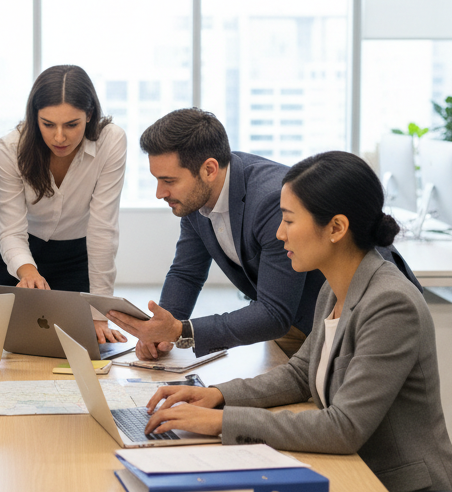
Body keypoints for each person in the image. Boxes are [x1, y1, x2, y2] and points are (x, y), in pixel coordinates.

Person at [142, 150, 452, 492]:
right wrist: (217, 396)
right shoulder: (334, 289)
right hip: (358, 479)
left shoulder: (390, 304)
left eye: (288, 220)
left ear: (336, 228)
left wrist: (222, 422)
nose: (279, 234)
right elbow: (301, 374)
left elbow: (344, 428)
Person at [107, 108, 324, 359]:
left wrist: (181, 331)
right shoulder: (195, 198)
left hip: (330, 322)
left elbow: (274, 313)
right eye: (157, 180)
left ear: (209, 169)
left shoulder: (271, 201)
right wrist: (160, 331)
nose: (159, 193)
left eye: (169, 181)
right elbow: (187, 273)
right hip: (287, 324)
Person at [0, 64, 128, 345]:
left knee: (79, 345)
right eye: (48, 124)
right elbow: (11, 230)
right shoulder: (10, 148)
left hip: (76, 258)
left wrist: (99, 313)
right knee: (12, 347)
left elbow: (103, 229)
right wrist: (28, 271)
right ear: (34, 117)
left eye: (72, 125)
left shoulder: (111, 141)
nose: (59, 137)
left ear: (89, 115)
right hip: (18, 256)